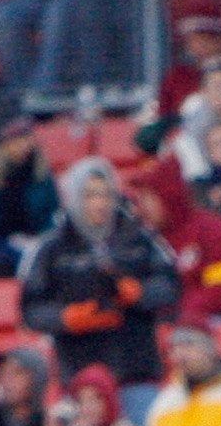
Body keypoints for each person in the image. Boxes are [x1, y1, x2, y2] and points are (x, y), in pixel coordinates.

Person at [21, 160, 179, 390]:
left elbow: (171, 286)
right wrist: (67, 318)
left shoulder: (140, 238)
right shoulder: (50, 248)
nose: (100, 203)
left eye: (106, 195)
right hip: (80, 377)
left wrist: (139, 293)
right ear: (73, 198)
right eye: (90, 195)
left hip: (137, 371)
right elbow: (31, 310)